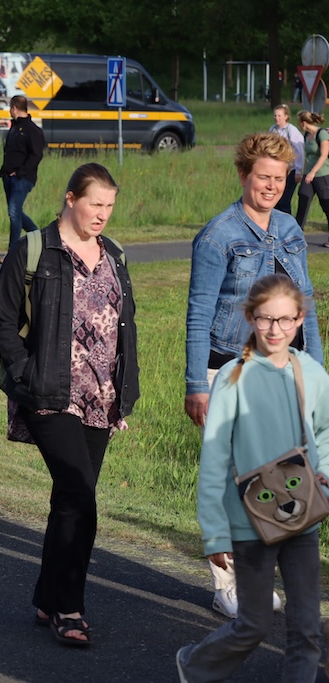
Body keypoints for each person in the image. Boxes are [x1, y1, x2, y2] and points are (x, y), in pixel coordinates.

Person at [0, 163, 139, 646]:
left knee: (70, 499)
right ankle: (69, 608)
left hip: (101, 397)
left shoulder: (115, 254)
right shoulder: (34, 249)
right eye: (95, 204)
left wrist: (125, 390)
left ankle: (46, 596)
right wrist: (25, 371)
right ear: (71, 198)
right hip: (49, 393)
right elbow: (1, 320)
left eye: (109, 206)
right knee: (79, 495)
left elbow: (125, 325)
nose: (102, 214)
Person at [185, 132, 322, 619]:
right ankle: (228, 586)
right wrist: (196, 385)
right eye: (263, 176)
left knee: (280, 475)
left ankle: (258, 575)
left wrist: (316, 371)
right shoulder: (219, 235)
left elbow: (306, 304)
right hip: (228, 369)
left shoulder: (289, 228)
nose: (271, 186)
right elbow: (199, 313)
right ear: (244, 175)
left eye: (279, 178)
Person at [176, 274, 329, 683]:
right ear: (249, 318)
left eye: (285, 319)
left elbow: (326, 431)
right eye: (265, 319)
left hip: (302, 516)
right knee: (254, 624)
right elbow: (214, 460)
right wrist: (215, 533)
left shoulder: (311, 373)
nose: (275, 329)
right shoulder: (233, 377)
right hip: (248, 522)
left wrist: (324, 473)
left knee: (306, 628)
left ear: (299, 320)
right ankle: (194, 664)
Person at [0, 95, 45, 259]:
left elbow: (36, 155)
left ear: (14, 108)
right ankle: (38, 236)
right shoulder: (14, 127)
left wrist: (21, 172)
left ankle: (13, 253)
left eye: (10, 109)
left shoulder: (32, 130)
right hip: (8, 176)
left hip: (22, 178)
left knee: (14, 212)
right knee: (16, 212)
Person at [293, 111, 329, 234]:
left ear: (303, 123)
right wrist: (304, 172)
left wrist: (313, 172)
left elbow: (324, 155)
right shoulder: (306, 135)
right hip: (308, 174)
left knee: (326, 203)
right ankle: (297, 233)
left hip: (322, 174)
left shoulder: (322, 134)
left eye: (299, 122)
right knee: (303, 198)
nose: (299, 125)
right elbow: (307, 156)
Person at [268, 104, 304, 214]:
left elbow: (299, 151)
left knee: (285, 200)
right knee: (276, 200)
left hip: (290, 170)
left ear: (286, 116)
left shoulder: (291, 130)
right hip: (277, 170)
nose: (277, 118)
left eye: (279, 116)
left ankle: (287, 222)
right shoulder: (273, 129)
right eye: (275, 116)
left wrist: (298, 170)